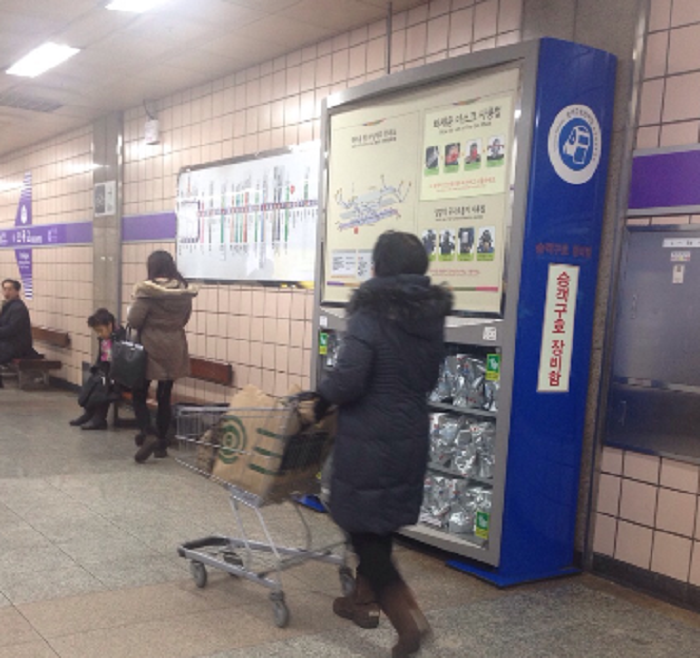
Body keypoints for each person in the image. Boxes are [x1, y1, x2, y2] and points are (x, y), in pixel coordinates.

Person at [315, 231, 452, 658]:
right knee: (379, 524)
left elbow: (349, 379)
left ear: (377, 268)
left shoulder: (369, 314)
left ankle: (408, 624)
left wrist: (321, 398)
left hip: (370, 439)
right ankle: (361, 598)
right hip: (410, 436)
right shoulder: (430, 318)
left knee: (362, 530)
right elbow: (428, 378)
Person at [128, 250, 197, 463]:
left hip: (150, 347)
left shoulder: (147, 293)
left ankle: (148, 432)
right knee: (164, 396)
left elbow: (135, 321)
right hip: (175, 346)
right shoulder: (184, 293)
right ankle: (161, 445)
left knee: (139, 392)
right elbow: (184, 319)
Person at [69, 308, 126, 430]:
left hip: (119, 377)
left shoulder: (121, 338)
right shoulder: (104, 338)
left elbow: (121, 362)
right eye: (97, 332)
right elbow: (101, 358)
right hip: (107, 371)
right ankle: (89, 414)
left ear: (110, 325)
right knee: (93, 381)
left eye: (101, 330)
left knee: (102, 385)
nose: (99, 334)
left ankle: (99, 419)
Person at [0, 279, 35, 389]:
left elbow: (12, 329)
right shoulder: (8, 306)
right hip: (8, 343)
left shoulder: (18, 308)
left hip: (18, 346)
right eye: (4, 289)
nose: (7, 292)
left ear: (17, 291)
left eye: (10, 289)